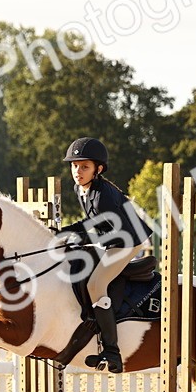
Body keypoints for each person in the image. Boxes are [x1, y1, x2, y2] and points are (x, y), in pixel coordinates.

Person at [55, 137, 153, 373]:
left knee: (96, 284)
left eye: (84, 167)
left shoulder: (104, 196)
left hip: (129, 241)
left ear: (97, 169)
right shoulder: (81, 189)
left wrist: (84, 239)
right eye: (74, 166)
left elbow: (117, 232)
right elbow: (90, 222)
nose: (77, 171)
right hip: (114, 238)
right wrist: (63, 232)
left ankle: (112, 350)